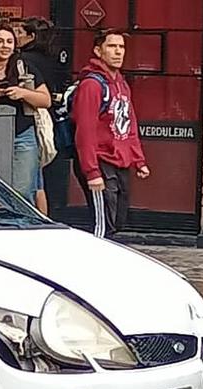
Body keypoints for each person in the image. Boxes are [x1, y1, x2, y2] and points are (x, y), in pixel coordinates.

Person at [71, 29, 149, 238]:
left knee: (117, 219)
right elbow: (85, 130)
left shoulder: (121, 83)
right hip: (99, 160)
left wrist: (138, 159)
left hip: (120, 160)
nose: (118, 52)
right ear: (98, 51)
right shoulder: (92, 85)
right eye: (112, 46)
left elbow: (129, 123)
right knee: (103, 225)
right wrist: (92, 171)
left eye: (121, 47)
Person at [0, 24, 52, 204]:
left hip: (23, 134)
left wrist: (24, 94)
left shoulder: (24, 66)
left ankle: (23, 226)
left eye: (9, 41)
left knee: (24, 189)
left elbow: (46, 100)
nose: (5, 46)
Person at [15, 16, 62, 215]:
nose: (15, 37)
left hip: (32, 117)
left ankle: (36, 220)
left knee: (32, 182)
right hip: (47, 117)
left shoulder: (25, 61)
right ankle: (44, 219)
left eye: (19, 33)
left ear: (31, 36)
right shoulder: (52, 58)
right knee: (38, 180)